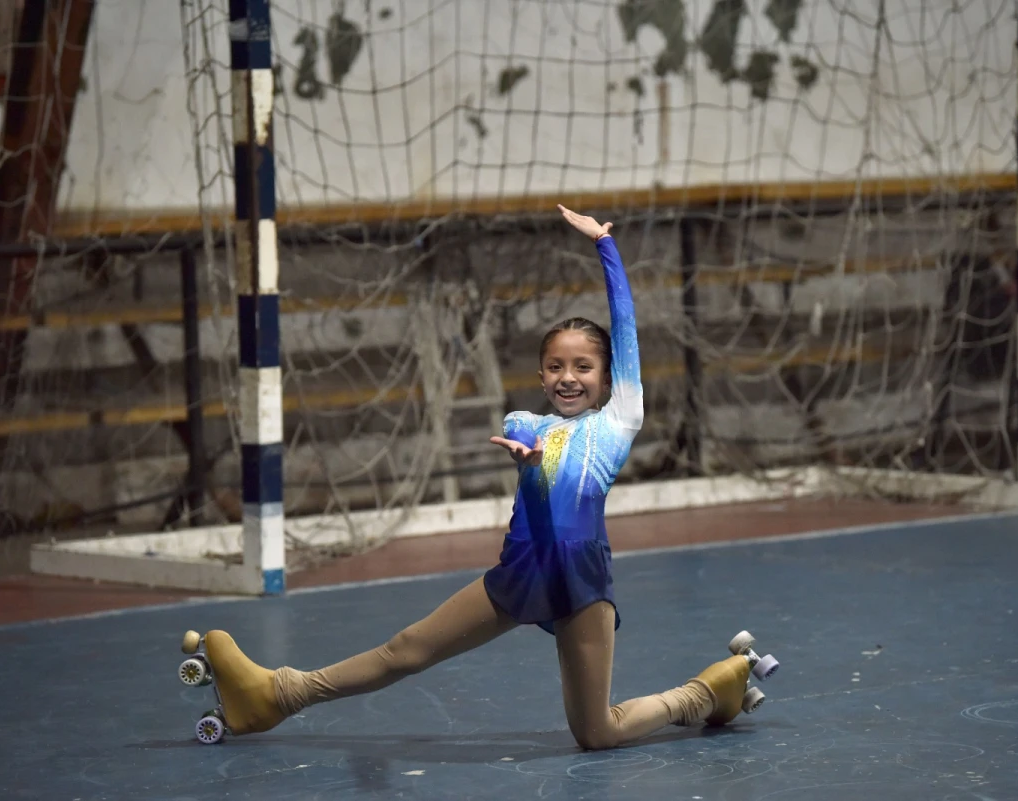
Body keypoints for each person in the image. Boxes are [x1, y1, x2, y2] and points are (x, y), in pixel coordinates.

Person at [195, 205, 755, 750]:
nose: (568, 377)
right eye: (555, 366)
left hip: (579, 576)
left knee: (596, 733)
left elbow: (625, 327)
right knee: (406, 649)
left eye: (583, 367)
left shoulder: (619, 420)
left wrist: (604, 245)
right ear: (541, 375)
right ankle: (276, 694)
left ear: (609, 379)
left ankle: (703, 693)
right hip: (523, 567)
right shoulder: (525, 423)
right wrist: (529, 465)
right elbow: (529, 474)